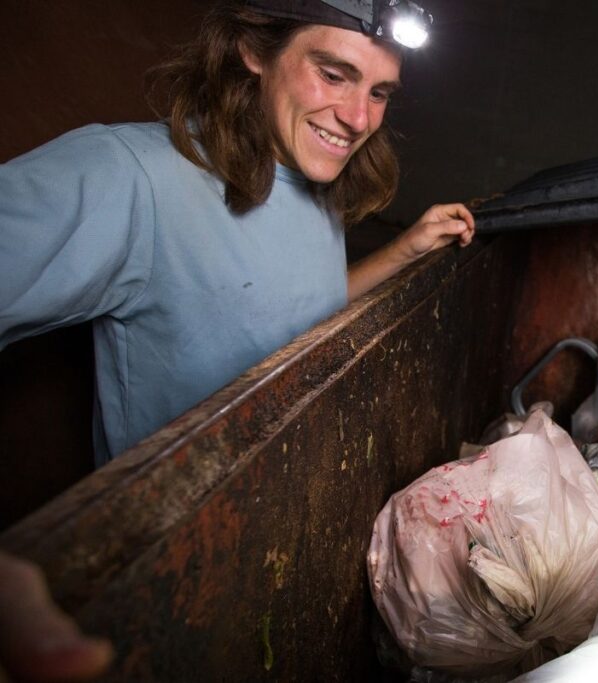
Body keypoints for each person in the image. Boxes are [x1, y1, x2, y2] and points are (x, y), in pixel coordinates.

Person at [0, 0, 473, 678]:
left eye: (378, 92)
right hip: (172, 604)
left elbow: (288, 310)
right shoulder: (130, 177)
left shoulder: (312, 180)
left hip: (275, 574)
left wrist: (404, 249)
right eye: (333, 75)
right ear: (255, 51)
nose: (359, 118)